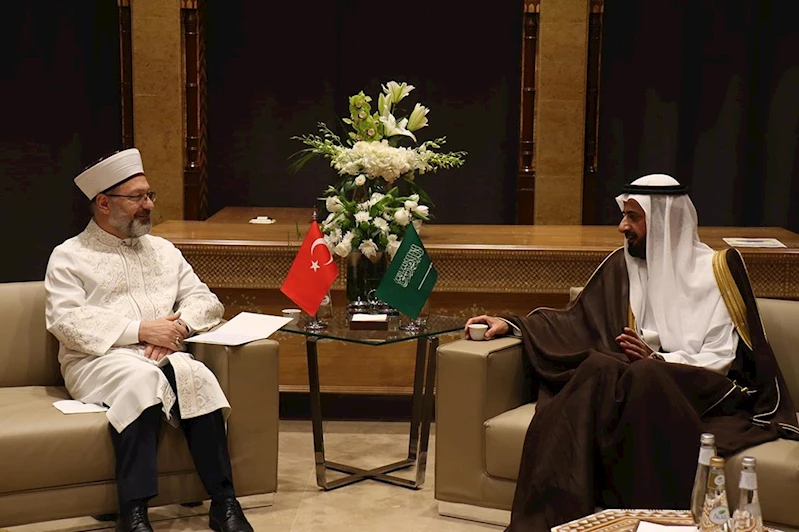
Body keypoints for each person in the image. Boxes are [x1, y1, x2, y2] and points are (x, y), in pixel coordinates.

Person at [465, 174, 799, 532]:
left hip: (705, 387)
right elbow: (576, 322)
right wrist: (512, 324)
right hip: (640, 380)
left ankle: (655, 523)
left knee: (644, 375)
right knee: (598, 367)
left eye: (633, 217)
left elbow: (719, 358)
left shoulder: (717, 269)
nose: (622, 226)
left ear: (664, 221)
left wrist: (658, 360)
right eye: (624, 215)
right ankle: (553, 523)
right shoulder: (623, 265)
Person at [44, 149, 254, 532]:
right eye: (137, 197)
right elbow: (67, 321)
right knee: (142, 380)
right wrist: (142, 331)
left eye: (149, 195)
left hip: (166, 353)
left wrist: (179, 328)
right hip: (97, 361)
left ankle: (224, 502)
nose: (149, 205)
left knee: (197, 376)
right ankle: (134, 513)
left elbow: (207, 301)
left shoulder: (164, 251)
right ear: (103, 203)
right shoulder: (69, 256)